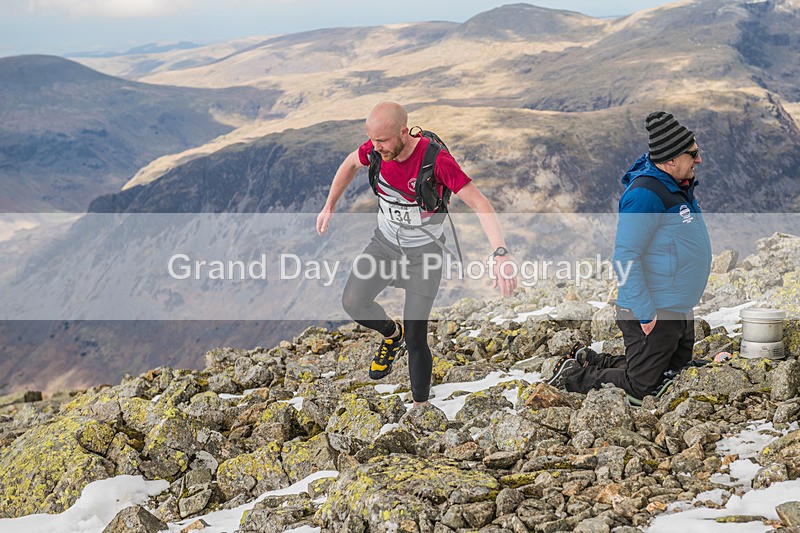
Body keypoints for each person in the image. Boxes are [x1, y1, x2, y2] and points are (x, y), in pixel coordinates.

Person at [316, 101, 517, 405]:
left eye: (382, 140)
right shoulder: (375, 150)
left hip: (424, 255)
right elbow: (350, 163)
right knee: (353, 302)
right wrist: (330, 205)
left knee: (416, 337)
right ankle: (390, 334)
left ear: (403, 131)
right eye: (372, 139)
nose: (375, 147)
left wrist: (500, 253)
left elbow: (480, 203)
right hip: (385, 245)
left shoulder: (436, 161)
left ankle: (421, 406)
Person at [549, 111, 712, 400]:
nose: (699, 159)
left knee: (674, 374)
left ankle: (593, 361)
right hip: (653, 309)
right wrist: (645, 312)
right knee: (642, 388)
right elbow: (625, 257)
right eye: (693, 153)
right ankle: (574, 377)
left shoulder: (678, 185)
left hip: (677, 307)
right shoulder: (645, 194)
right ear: (671, 159)